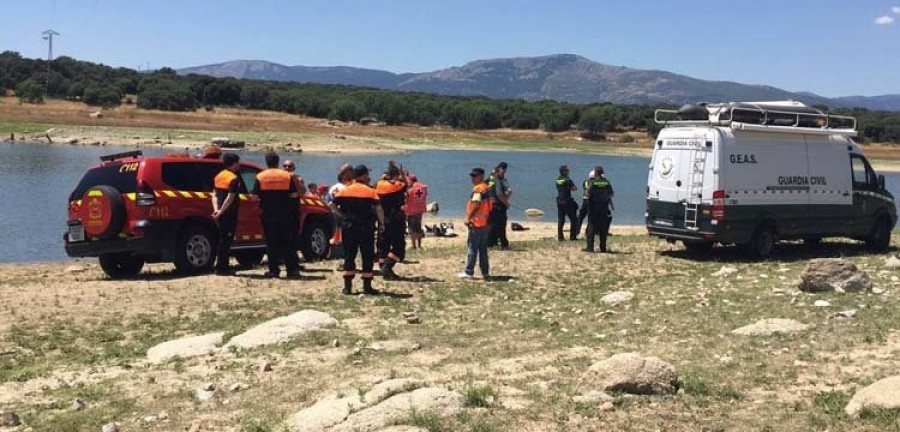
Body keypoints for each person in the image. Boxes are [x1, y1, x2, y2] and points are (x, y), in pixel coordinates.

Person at [330, 165, 385, 295]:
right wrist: (382, 223)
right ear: (363, 175)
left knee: (349, 255)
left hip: (349, 227)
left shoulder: (345, 190)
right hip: (366, 227)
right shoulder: (370, 191)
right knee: (367, 255)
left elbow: (331, 204)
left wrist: (341, 215)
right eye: (367, 174)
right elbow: (379, 208)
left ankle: (347, 287)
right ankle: (367, 286)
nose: (368, 177)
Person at [252, 152, 301, 278]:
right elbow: (294, 194)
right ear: (278, 162)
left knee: (271, 243)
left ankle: (274, 270)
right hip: (285, 214)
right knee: (288, 242)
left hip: (268, 214)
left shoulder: (261, 176)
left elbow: (254, 196)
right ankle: (292, 270)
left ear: (266, 162)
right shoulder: (286, 176)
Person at [211, 153, 245, 276]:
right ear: (234, 163)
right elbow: (230, 197)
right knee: (226, 240)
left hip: (219, 212)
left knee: (222, 238)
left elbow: (214, 194)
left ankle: (220, 265)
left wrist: (216, 209)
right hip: (229, 213)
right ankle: (222, 267)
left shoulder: (219, 176)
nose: (239, 164)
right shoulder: (233, 178)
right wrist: (222, 211)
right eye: (238, 162)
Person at [375, 162, 408, 280]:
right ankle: (387, 268)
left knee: (383, 246)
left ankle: (384, 269)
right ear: (396, 175)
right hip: (395, 219)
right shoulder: (397, 185)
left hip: (382, 218)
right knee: (399, 247)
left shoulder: (378, 185)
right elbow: (406, 184)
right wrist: (402, 174)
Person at [458, 168, 493, 280]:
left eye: (475, 176)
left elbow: (477, 204)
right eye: (472, 176)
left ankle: (469, 272)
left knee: (473, 248)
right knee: (483, 249)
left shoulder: (478, 189)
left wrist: (468, 217)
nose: (472, 178)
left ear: (481, 176)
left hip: (477, 223)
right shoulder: (486, 188)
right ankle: (485, 272)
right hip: (486, 223)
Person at [584, 166, 615, 253]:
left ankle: (590, 248)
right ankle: (603, 248)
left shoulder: (593, 182)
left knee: (591, 227)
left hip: (593, 208)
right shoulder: (607, 182)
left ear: (596, 173)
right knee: (603, 228)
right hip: (603, 208)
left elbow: (588, 194)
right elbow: (611, 194)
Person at [487, 162, 511, 249]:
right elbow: (500, 195)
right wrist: (506, 203)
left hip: (491, 204)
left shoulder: (491, 178)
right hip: (497, 205)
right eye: (503, 171)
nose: (504, 173)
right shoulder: (496, 179)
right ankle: (503, 244)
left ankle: (491, 242)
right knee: (501, 225)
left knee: (492, 225)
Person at [555, 165, 579, 241]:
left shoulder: (558, 179)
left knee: (561, 220)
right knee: (574, 219)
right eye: (567, 170)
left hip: (559, 201)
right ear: (563, 171)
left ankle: (560, 237)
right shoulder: (567, 180)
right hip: (567, 201)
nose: (568, 172)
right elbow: (575, 188)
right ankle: (573, 237)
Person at [404, 173, 428, 250]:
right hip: (420, 210)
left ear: (411, 180)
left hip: (412, 211)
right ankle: (419, 245)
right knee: (418, 228)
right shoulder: (423, 188)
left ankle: (414, 246)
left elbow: (406, 198)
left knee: (412, 229)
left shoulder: (411, 190)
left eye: (408, 181)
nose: (408, 182)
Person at [576, 169, 595, 236]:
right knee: (591, 216)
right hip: (591, 200)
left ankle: (576, 230)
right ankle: (588, 231)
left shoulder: (585, 182)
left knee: (581, 216)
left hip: (584, 199)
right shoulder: (595, 182)